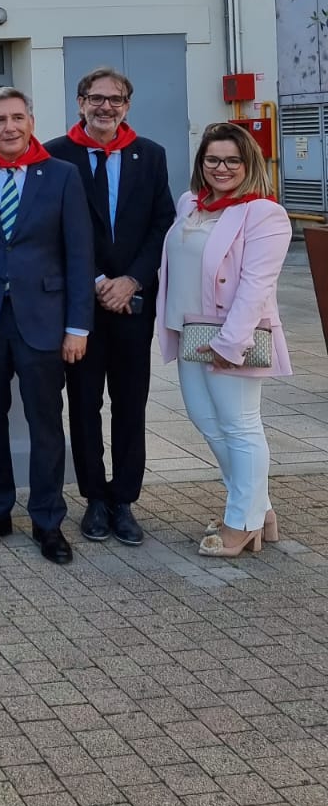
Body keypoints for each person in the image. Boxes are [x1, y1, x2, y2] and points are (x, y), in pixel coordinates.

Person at [0, 87, 94, 564]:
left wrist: (78, 327)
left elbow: (78, 255)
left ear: (31, 121)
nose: (9, 127)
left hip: (44, 321)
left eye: (18, 117)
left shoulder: (63, 175)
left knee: (46, 425)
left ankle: (48, 521)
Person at [46, 68, 174, 546]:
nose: (106, 107)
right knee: (82, 403)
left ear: (127, 105)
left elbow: (162, 222)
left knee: (130, 403)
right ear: (80, 102)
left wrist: (132, 279)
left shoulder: (151, 155)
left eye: (115, 100)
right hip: (82, 306)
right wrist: (99, 281)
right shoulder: (56, 155)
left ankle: (123, 500)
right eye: (96, 99)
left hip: (133, 302)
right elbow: (54, 228)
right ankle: (94, 499)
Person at [157, 123, 292, 557]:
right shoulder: (190, 204)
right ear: (201, 163)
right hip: (190, 329)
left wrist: (230, 343)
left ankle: (242, 523)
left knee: (240, 426)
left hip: (231, 335)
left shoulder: (264, 213)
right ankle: (259, 509)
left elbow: (256, 285)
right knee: (207, 422)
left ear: (248, 163)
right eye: (212, 159)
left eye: (232, 160)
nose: (222, 167)